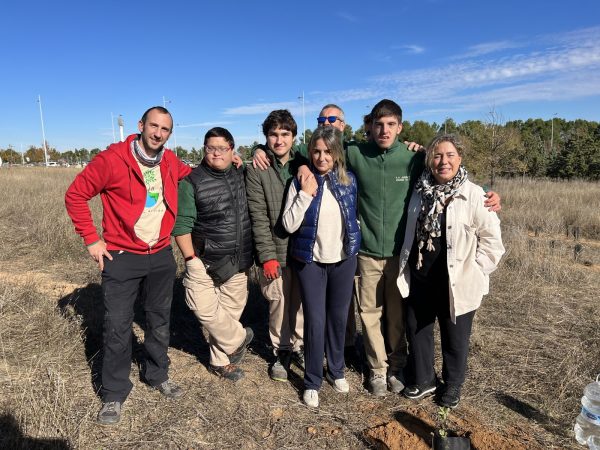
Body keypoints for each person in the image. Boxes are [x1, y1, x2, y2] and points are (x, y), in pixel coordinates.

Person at [65, 106, 190, 425]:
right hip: (121, 256)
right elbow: (76, 195)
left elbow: (195, 175)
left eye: (165, 129)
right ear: (141, 126)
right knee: (118, 327)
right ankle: (114, 393)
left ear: (169, 134)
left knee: (159, 320)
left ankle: (157, 374)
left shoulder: (170, 161)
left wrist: (233, 160)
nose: (158, 133)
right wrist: (92, 239)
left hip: (161, 254)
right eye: (154, 126)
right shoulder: (112, 160)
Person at [397, 134, 505, 408]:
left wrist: (477, 271)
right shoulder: (419, 190)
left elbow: (492, 242)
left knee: (455, 337)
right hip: (421, 277)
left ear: (460, 158)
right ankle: (423, 380)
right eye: (437, 155)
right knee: (417, 330)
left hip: (456, 281)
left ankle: (453, 384)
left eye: (450, 155)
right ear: (429, 161)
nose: (443, 161)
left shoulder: (475, 195)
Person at [282, 126, 361, 408]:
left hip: (342, 260)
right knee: (315, 321)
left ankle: (336, 370)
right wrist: (304, 194)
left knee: (338, 318)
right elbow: (289, 224)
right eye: (316, 151)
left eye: (328, 151)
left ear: (336, 153)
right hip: (310, 262)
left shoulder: (349, 180)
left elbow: (355, 218)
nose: (322, 156)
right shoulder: (299, 182)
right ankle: (313, 380)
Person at [172, 127, 254, 382]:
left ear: (232, 150)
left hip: (238, 261)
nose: (215, 153)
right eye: (210, 148)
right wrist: (190, 260)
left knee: (228, 316)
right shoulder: (191, 182)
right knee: (204, 309)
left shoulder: (243, 174)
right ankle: (241, 338)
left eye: (221, 148)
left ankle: (219, 362)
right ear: (204, 150)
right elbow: (181, 226)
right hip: (204, 262)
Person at [245, 110, 305, 382]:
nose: (279, 140)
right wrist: (266, 255)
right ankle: (281, 351)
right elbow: (257, 216)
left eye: (285, 134)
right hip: (274, 250)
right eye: (273, 134)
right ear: (266, 137)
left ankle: (301, 345)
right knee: (278, 303)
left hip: (303, 250)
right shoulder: (257, 169)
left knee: (302, 303)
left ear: (293, 136)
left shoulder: (304, 162)